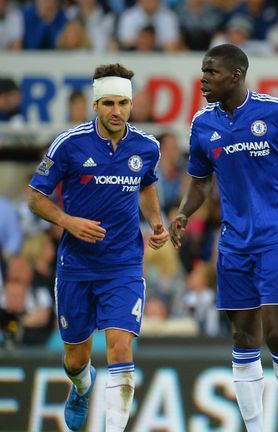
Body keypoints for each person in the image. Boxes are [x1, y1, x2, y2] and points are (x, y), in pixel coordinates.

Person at [169, 43, 278, 432]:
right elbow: (201, 182)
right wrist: (184, 212)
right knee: (242, 334)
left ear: (235, 75)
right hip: (234, 242)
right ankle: (254, 427)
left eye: (211, 72)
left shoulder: (277, 111)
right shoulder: (203, 124)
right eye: (203, 72)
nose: (203, 79)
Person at [27, 63, 168, 431]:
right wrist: (67, 221)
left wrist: (156, 222)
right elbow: (35, 197)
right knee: (75, 358)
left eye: (123, 103)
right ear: (95, 105)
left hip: (123, 265)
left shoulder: (146, 146)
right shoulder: (69, 144)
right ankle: (81, 385)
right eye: (108, 103)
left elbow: (148, 185)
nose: (117, 111)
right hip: (76, 267)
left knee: (121, 349)